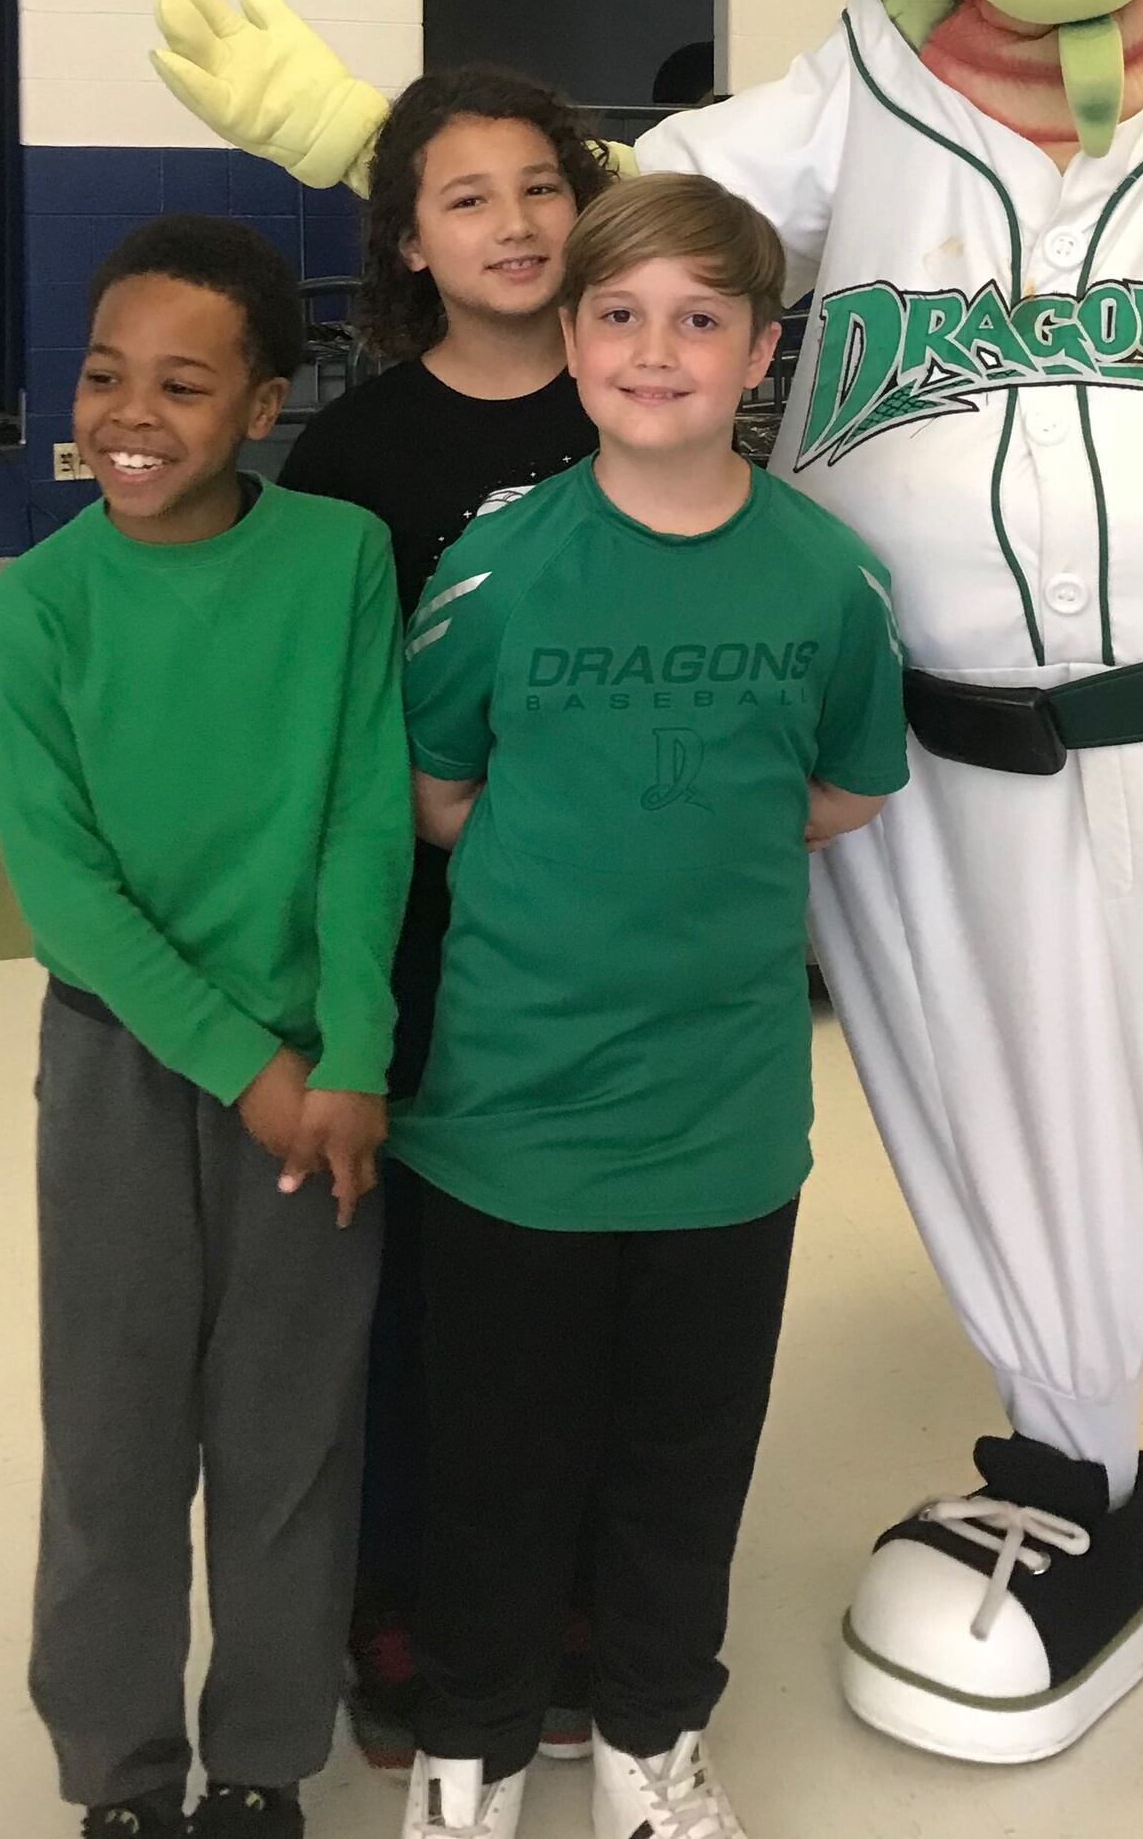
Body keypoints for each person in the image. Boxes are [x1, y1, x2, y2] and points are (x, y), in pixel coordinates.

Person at [394, 173, 911, 1839]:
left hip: (727, 1128)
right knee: (497, 1468)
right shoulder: (499, 562)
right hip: (512, 1125)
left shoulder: (830, 579)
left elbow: (842, 790)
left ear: (763, 347)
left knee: (682, 1469)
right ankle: (469, 1752)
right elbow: (442, 787)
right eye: (618, 312)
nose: (657, 348)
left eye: (702, 317)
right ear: (568, 339)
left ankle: (649, 1746)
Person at [0, 212, 412, 1839]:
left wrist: (348, 1058)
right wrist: (251, 1068)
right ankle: (121, 1777)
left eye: (182, 380)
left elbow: (371, 813)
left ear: (264, 403)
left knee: (291, 1435)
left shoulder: (338, 559)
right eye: (103, 376)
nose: (131, 414)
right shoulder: (35, 609)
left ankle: (261, 1761)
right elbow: (65, 893)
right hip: (124, 1067)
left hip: (322, 1081)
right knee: (112, 1438)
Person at [280, 66, 609, 1768]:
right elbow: (331, 725)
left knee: (570, 1273)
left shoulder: (642, 390)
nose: (513, 223)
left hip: (614, 938)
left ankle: (555, 1588)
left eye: (540, 185)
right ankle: (398, 1592)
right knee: (418, 1283)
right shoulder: (358, 454)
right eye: (466, 196)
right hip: (430, 937)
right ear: (406, 238)